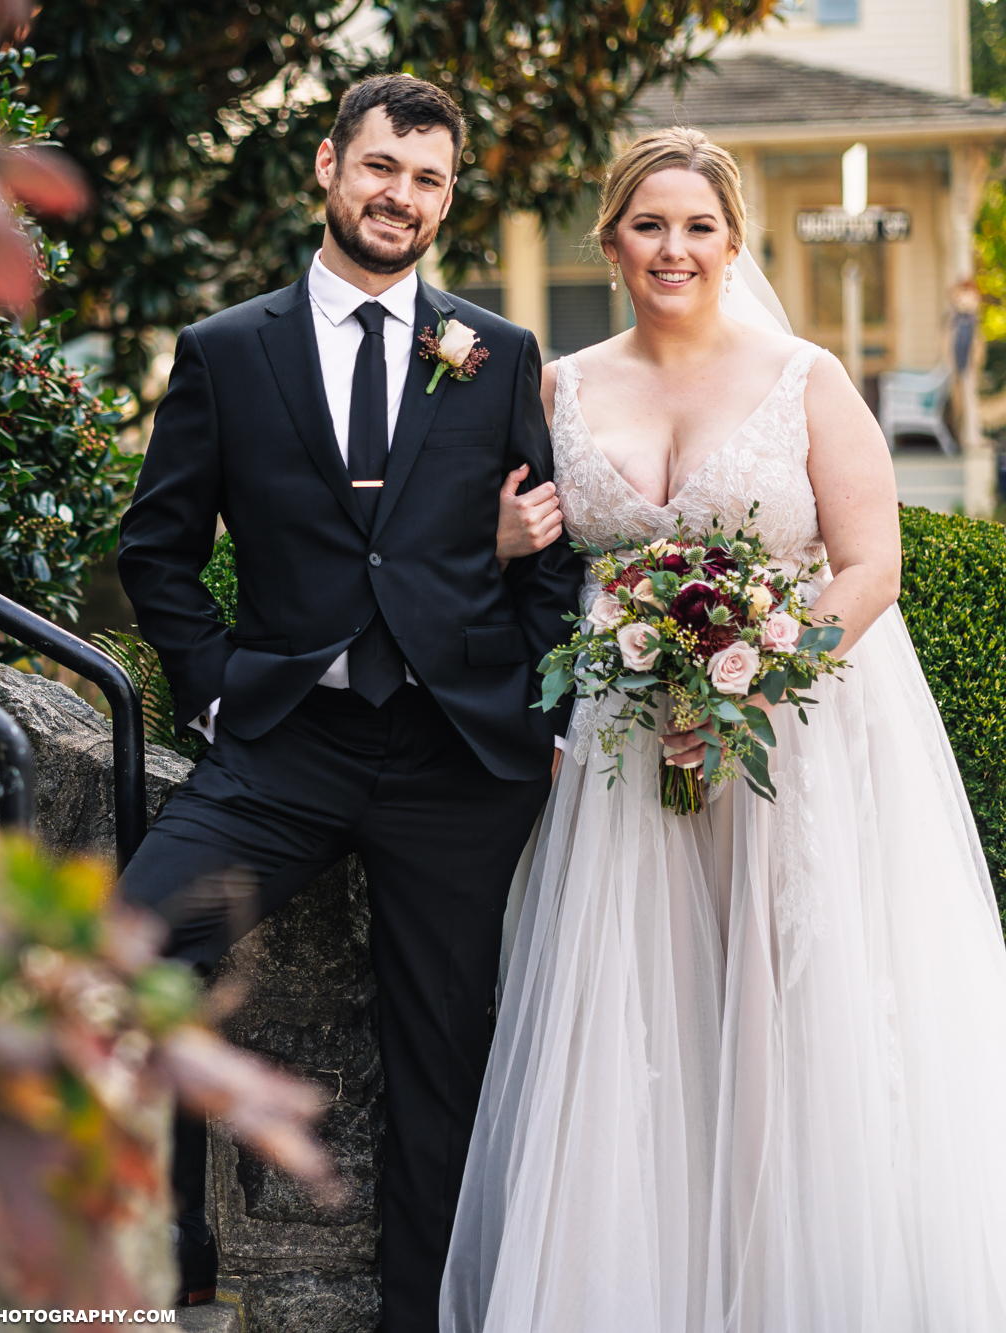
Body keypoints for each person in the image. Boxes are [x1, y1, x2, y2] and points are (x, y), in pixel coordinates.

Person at [447, 128, 1006, 1331]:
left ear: (733, 241)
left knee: (784, 1008)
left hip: (786, 743)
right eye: (648, 224)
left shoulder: (802, 376)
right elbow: (509, 558)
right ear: (608, 241)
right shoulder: (556, 387)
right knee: (634, 1014)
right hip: (615, 745)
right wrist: (496, 546)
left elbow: (868, 566)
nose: (673, 248)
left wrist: (753, 681)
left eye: (697, 226)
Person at [115, 74, 581, 1329]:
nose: (401, 197)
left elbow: (554, 558)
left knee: (441, 1073)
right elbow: (155, 551)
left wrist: (537, 716)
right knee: (131, 946)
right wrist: (210, 689)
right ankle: (151, 1272)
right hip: (285, 750)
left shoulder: (494, 352)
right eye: (381, 167)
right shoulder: (226, 350)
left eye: (427, 179)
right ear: (326, 166)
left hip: (453, 765)